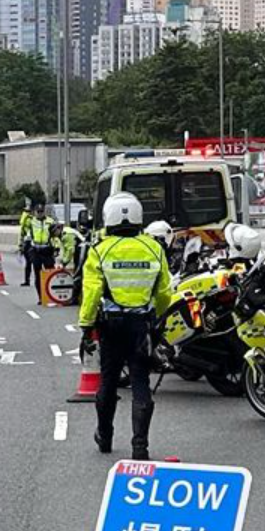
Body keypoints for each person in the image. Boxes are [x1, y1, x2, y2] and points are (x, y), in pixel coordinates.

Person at [78, 193, 174, 461]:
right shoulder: (154, 248)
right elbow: (165, 292)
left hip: (111, 326)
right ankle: (140, 446)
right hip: (141, 325)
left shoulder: (100, 250)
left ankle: (104, 435)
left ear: (108, 217)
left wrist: (86, 326)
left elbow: (92, 294)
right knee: (140, 381)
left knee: (108, 381)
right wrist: (157, 320)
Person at [23, 204, 55, 302]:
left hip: (47, 248)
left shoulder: (50, 221)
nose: (40, 214)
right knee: (38, 274)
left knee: (50, 272)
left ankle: (51, 295)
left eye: (42, 211)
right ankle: (41, 297)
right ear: (35, 212)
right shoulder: (31, 221)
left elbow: (55, 235)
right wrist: (26, 212)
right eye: (38, 212)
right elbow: (22, 224)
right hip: (35, 249)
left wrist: (56, 247)